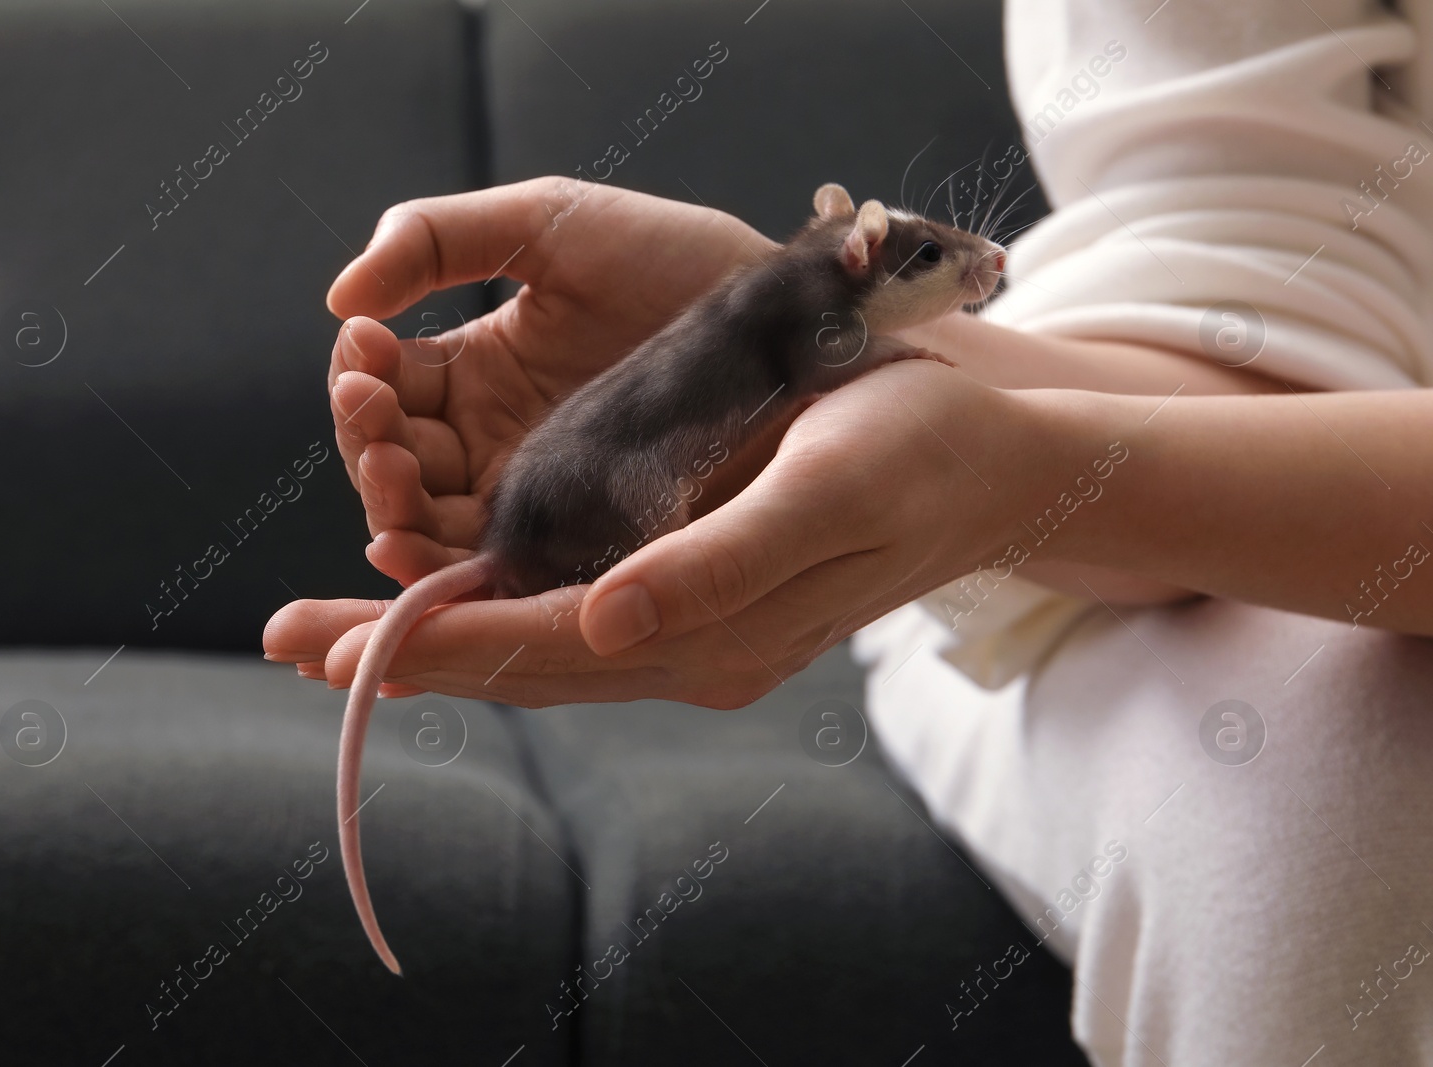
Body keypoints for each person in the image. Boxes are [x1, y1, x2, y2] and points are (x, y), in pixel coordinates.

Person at [265, 1, 1433, 1062]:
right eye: (942, 261)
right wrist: (999, 464)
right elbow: (1262, 294)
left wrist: (981, 446)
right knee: (1337, 809)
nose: (985, 264)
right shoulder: (816, 328)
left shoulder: (834, 317)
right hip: (1252, 474)